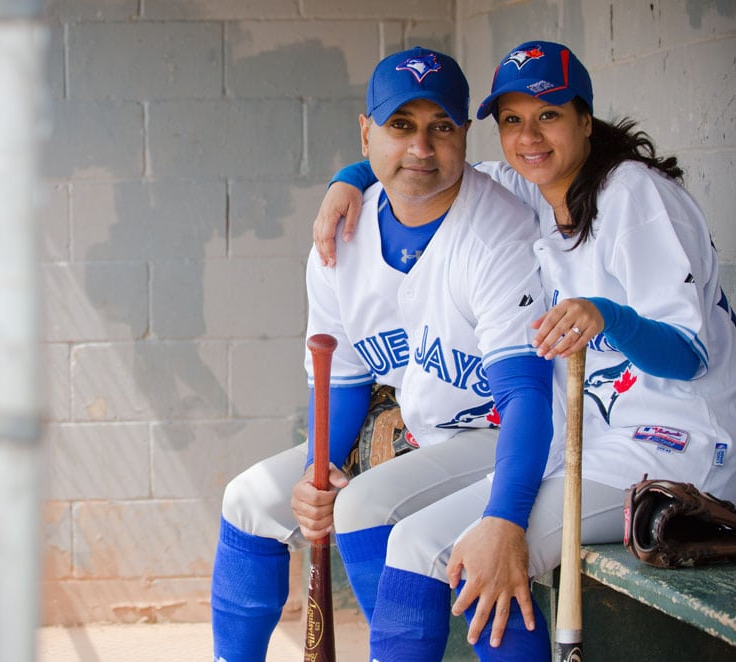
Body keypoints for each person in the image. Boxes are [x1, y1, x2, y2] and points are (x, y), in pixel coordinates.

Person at [312, 40, 736, 659]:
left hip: (676, 449)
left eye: (548, 114)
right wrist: (347, 180)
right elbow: (418, 166)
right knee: (421, 542)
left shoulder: (633, 194)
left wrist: (610, 317)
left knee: (448, 551)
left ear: (584, 119)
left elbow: (689, 355)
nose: (529, 136)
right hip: (592, 447)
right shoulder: (530, 187)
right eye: (513, 120)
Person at [210, 46, 556, 661]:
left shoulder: (497, 227)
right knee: (249, 499)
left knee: (374, 510)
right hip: (414, 424)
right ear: (367, 132)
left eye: (440, 127)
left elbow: (527, 394)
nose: (421, 148)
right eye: (401, 126)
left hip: (505, 432)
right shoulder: (341, 234)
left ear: (464, 135)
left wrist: (506, 515)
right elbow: (341, 382)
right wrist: (319, 472)